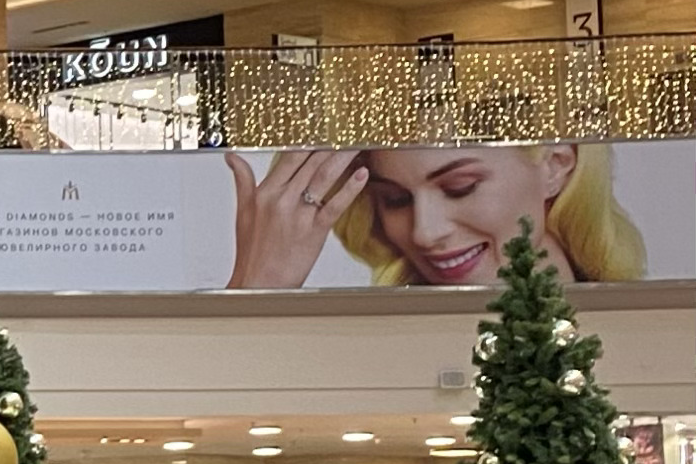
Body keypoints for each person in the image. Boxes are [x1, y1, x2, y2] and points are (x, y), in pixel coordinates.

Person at [223, 144, 644, 291]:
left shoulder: (644, 334)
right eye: (395, 199)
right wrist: (257, 290)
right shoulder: (373, 351)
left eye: (460, 187)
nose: (425, 233)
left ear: (555, 165)